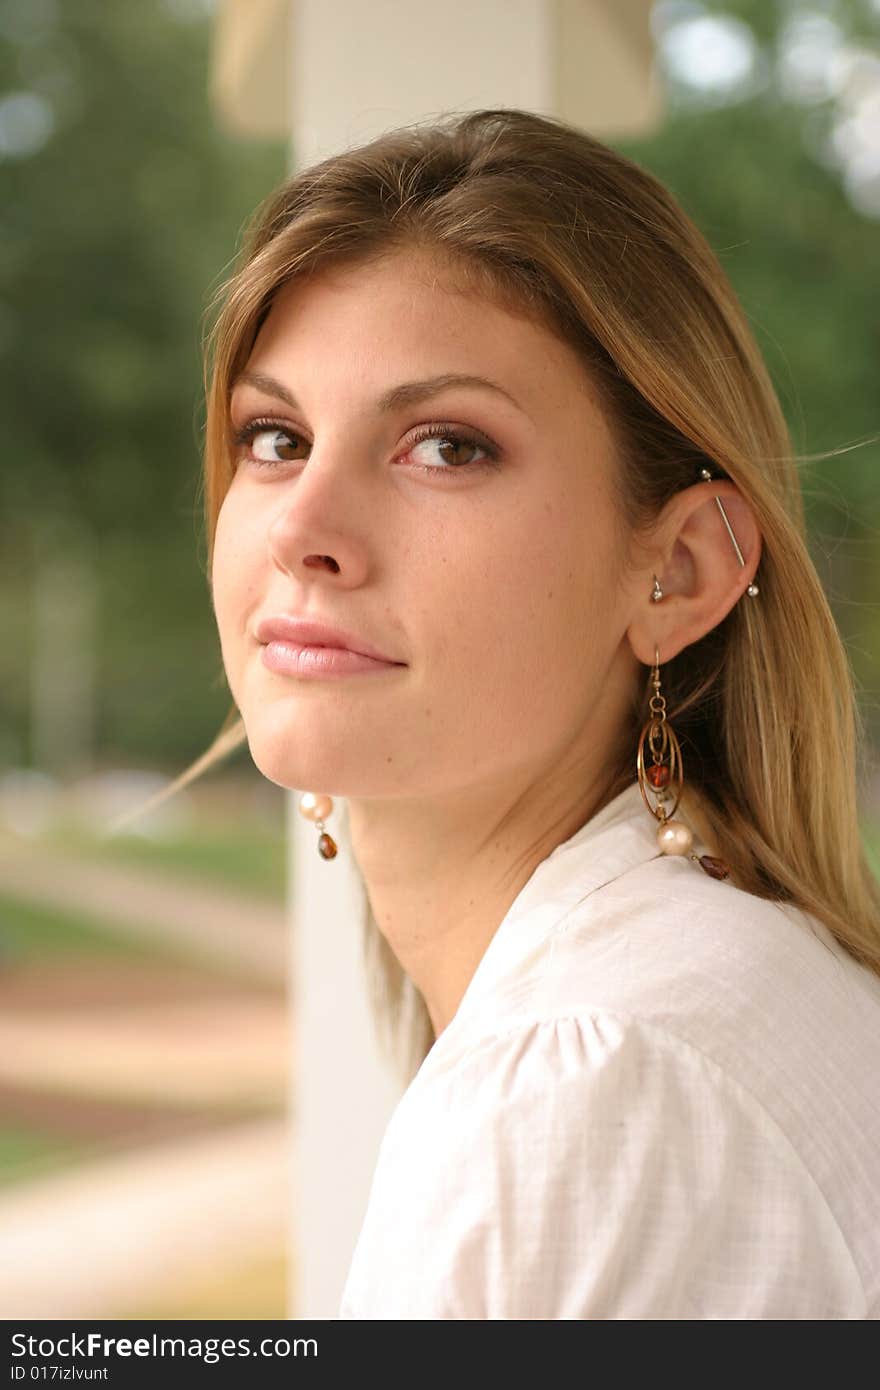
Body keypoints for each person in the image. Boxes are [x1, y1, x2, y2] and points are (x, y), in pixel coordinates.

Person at [139, 109, 880, 1316]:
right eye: (275, 437)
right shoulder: (691, 1001)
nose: (302, 530)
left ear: (680, 570)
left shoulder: (598, 1084)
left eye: (446, 447)